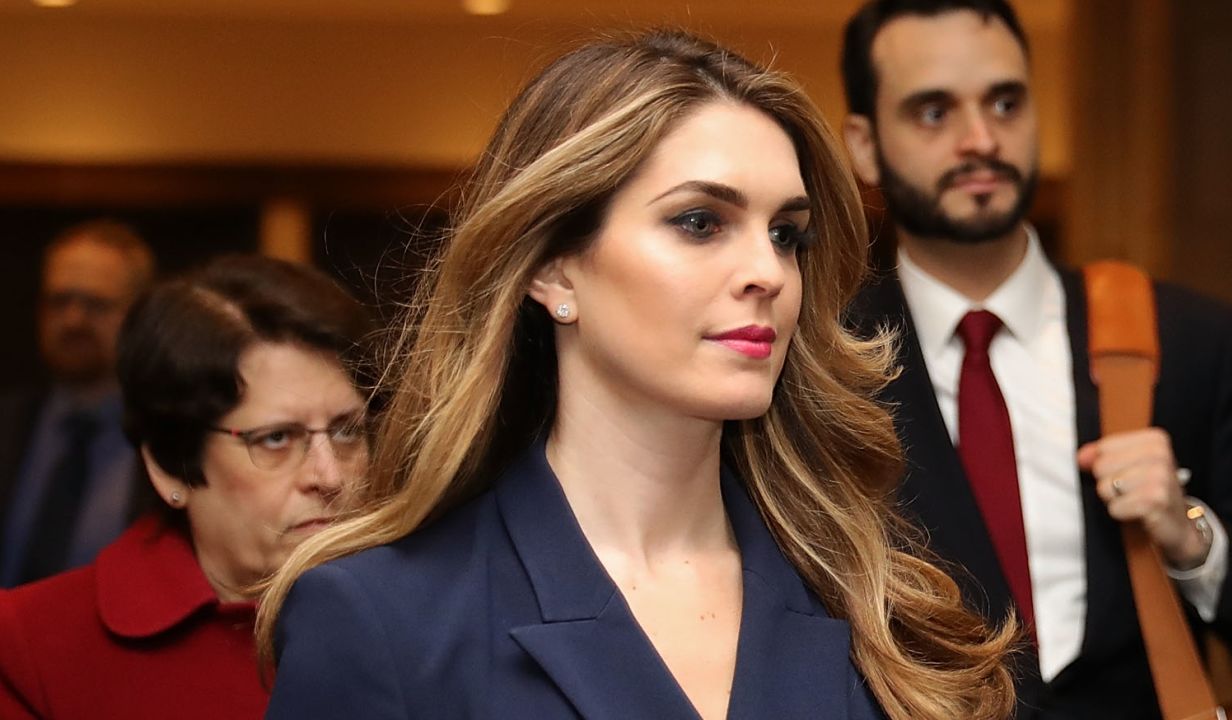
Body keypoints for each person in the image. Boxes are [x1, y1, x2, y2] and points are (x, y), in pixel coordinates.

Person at [258, 30, 1015, 720]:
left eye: (787, 234)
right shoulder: (380, 616)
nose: (768, 273)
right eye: (700, 222)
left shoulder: (880, 604)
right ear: (554, 268)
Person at [839, 1, 1232, 717]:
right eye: (932, 112)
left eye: (1005, 102)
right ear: (863, 144)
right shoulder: (823, 359)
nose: (980, 139)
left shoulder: (1186, 339)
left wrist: (1189, 536)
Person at [0, 255, 375, 720]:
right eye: (276, 439)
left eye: (346, 430)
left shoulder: (428, 617)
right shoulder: (31, 647)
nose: (330, 476)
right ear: (170, 465)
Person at [0, 220, 155, 587]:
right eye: (59, 301)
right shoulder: (8, 424)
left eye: (95, 304)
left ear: (139, 314)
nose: (73, 320)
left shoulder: (171, 441)